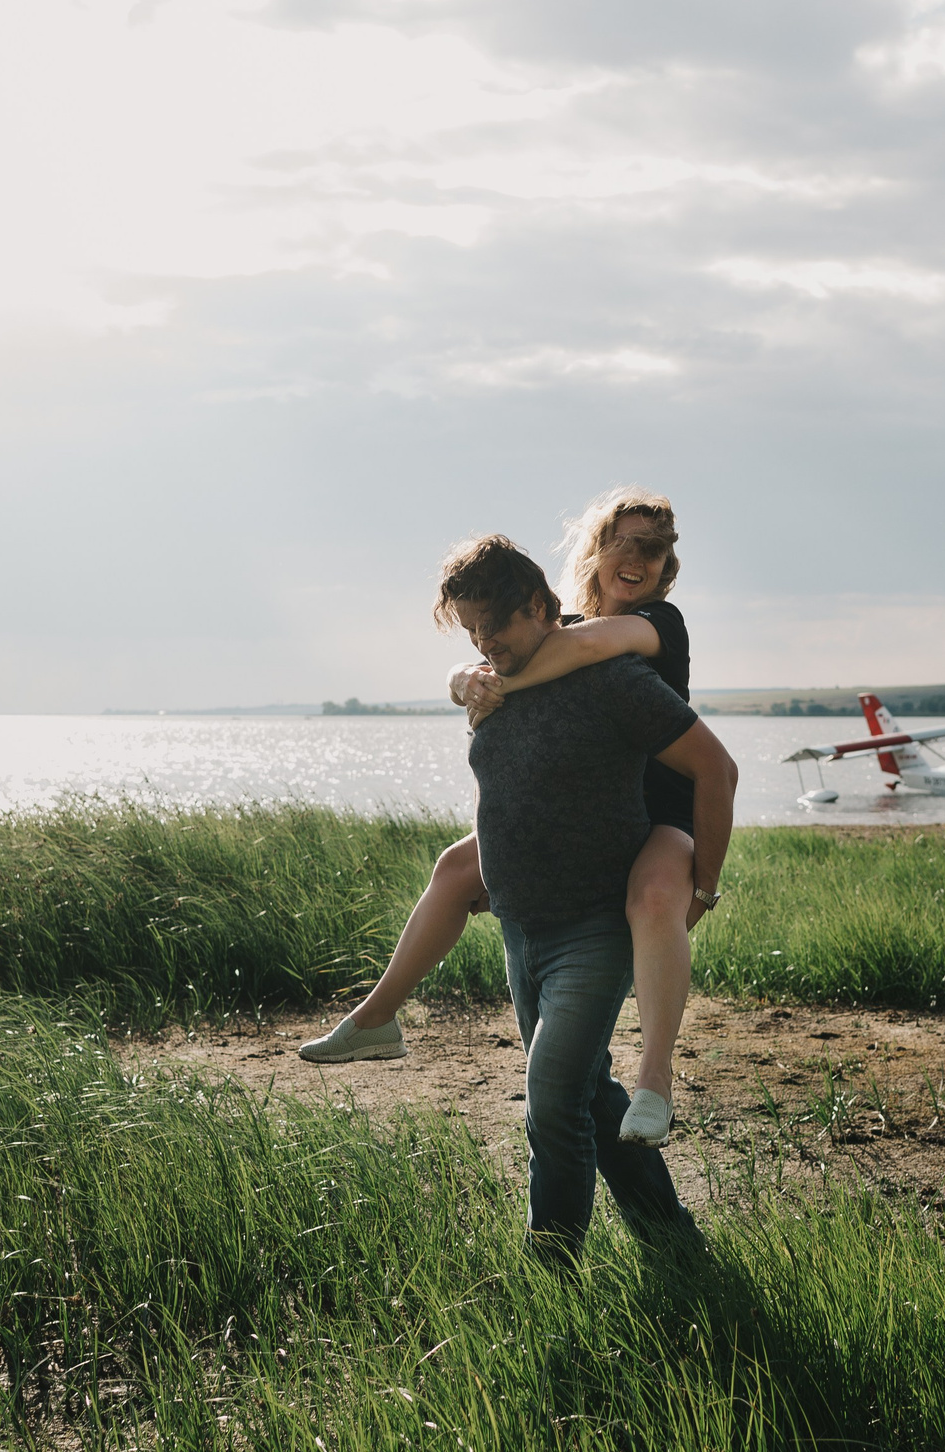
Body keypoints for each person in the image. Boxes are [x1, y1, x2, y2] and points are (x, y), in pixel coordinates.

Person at [300, 489, 705, 1148]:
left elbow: (570, 651)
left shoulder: (661, 621)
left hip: (660, 811)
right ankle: (378, 1016)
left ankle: (656, 1079)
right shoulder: (562, 619)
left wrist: (490, 679)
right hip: (596, 805)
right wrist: (465, 676)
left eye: (652, 549)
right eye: (622, 544)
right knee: (456, 866)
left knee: (654, 893)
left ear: (666, 564)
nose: (636, 559)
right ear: (596, 550)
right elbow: (515, 648)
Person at [386, 533, 737, 1265]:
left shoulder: (614, 672)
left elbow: (715, 767)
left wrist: (704, 881)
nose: (486, 643)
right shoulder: (499, 677)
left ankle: (553, 1276)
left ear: (544, 606)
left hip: (596, 920)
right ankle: (676, 1244)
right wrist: (468, 678)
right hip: (524, 929)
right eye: (473, 631)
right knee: (585, 1090)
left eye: (497, 625)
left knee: (550, 1100)